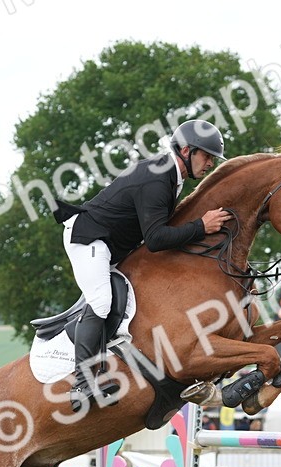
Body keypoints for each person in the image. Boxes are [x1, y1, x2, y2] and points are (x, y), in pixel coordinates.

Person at [53, 119, 232, 409]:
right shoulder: (157, 178)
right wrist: (201, 226)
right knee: (101, 301)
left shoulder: (171, 177)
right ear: (186, 150)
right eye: (207, 155)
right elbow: (157, 239)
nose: (210, 163)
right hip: (89, 239)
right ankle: (82, 384)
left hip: (112, 245)